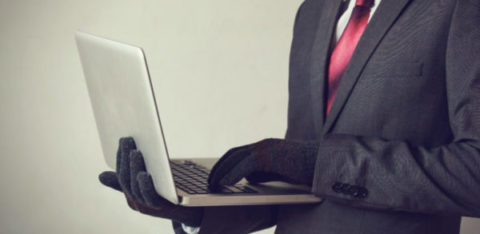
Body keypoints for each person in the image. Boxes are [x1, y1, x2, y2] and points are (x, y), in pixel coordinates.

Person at [99, 0, 480, 233]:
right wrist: (194, 211)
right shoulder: (312, 12)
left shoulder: (462, 7)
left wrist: (313, 161)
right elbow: (307, 190)